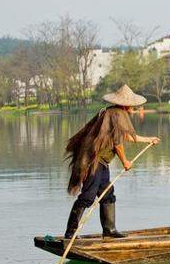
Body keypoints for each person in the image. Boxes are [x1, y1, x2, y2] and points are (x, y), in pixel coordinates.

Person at [64, 85, 160, 239]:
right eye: (131, 105)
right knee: (88, 197)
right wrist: (125, 162)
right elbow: (118, 143)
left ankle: (109, 230)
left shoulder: (115, 112)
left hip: (102, 163)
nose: (132, 107)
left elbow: (126, 136)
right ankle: (70, 233)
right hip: (94, 162)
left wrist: (149, 140)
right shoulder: (116, 114)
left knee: (107, 194)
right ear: (125, 104)